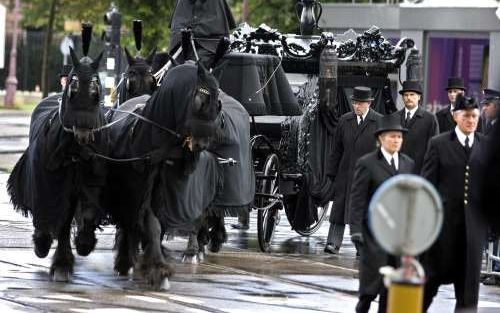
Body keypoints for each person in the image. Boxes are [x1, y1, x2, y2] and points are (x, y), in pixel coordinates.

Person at [421, 93, 487, 312]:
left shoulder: (484, 146)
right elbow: (427, 188)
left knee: (468, 297)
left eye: (474, 116)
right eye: (466, 116)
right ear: (456, 117)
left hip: (472, 236)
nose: (471, 120)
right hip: (443, 233)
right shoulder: (439, 144)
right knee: (426, 289)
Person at [349, 114, 414, 313]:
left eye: (399, 137)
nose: (396, 140)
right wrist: (356, 231)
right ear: (381, 139)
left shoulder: (408, 164)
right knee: (369, 291)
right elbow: (357, 199)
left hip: (398, 238)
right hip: (373, 236)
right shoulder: (367, 163)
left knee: (392, 291)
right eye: (392, 136)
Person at [325, 86, 382, 254]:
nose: (357, 106)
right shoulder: (345, 120)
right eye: (355, 103)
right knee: (339, 209)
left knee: (363, 210)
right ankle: (333, 243)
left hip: (367, 174)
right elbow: (336, 149)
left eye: (361, 103)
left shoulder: (378, 121)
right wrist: (331, 172)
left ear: (369, 104)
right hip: (345, 171)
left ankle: (362, 247)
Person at [169, 0, 235, 67]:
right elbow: (177, 27)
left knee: (194, 68)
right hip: (181, 44)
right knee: (171, 67)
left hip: (208, 46)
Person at [393, 80, 439, 173]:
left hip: (420, 171)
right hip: (397, 172)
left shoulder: (429, 119)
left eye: (412, 94)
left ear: (419, 97)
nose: (408, 98)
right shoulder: (394, 117)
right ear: (402, 98)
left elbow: (434, 149)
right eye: (406, 95)